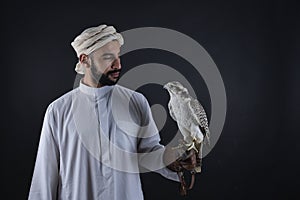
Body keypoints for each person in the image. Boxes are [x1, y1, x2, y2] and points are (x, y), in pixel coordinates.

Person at [28, 24, 196, 200]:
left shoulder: (136, 102)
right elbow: (45, 176)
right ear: (85, 60)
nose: (118, 64)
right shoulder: (58, 111)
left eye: (118, 56)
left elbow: (148, 153)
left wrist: (171, 158)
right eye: (108, 58)